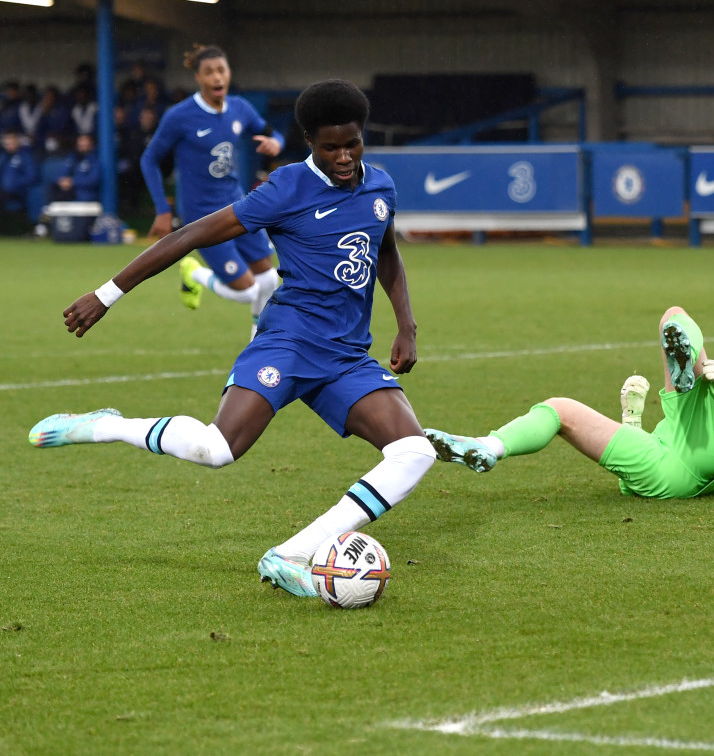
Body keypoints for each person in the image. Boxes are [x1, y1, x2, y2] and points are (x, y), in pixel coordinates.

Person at [30, 79, 436, 598]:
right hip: (287, 343)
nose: (343, 156)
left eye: (352, 144)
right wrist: (107, 294)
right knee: (216, 448)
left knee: (414, 452)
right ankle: (109, 426)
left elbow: (386, 251)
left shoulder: (380, 186)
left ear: (363, 135)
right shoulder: (286, 188)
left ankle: (293, 554)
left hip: (346, 357)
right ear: (308, 139)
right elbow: (190, 235)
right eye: (329, 146)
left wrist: (407, 323)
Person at [427, 308, 714, 498]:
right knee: (560, 410)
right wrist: (631, 419)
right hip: (670, 477)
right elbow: (627, 483)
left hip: (681, 461)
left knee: (673, 317)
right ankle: (486, 447)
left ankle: (492, 443)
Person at [140, 44, 284, 336]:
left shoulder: (240, 108)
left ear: (229, 73)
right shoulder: (180, 116)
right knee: (247, 292)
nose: (217, 77)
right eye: (209, 72)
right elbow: (149, 159)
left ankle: (259, 342)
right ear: (198, 78)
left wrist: (276, 144)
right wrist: (163, 209)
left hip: (238, 206)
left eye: (222, 70)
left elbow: (274, 133)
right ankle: (195, 274)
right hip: (201, 214)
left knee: (269, 280)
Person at [50, 133, 101, 203]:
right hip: (70, 194)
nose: (82, 148)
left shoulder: (95, 159)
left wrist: (73, 182)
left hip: (87, 195)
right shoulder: (73, 157)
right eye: (80, 146)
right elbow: (60, 173)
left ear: (91, 146)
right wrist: (62, 181)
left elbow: (93, 179)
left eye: (85, 146)